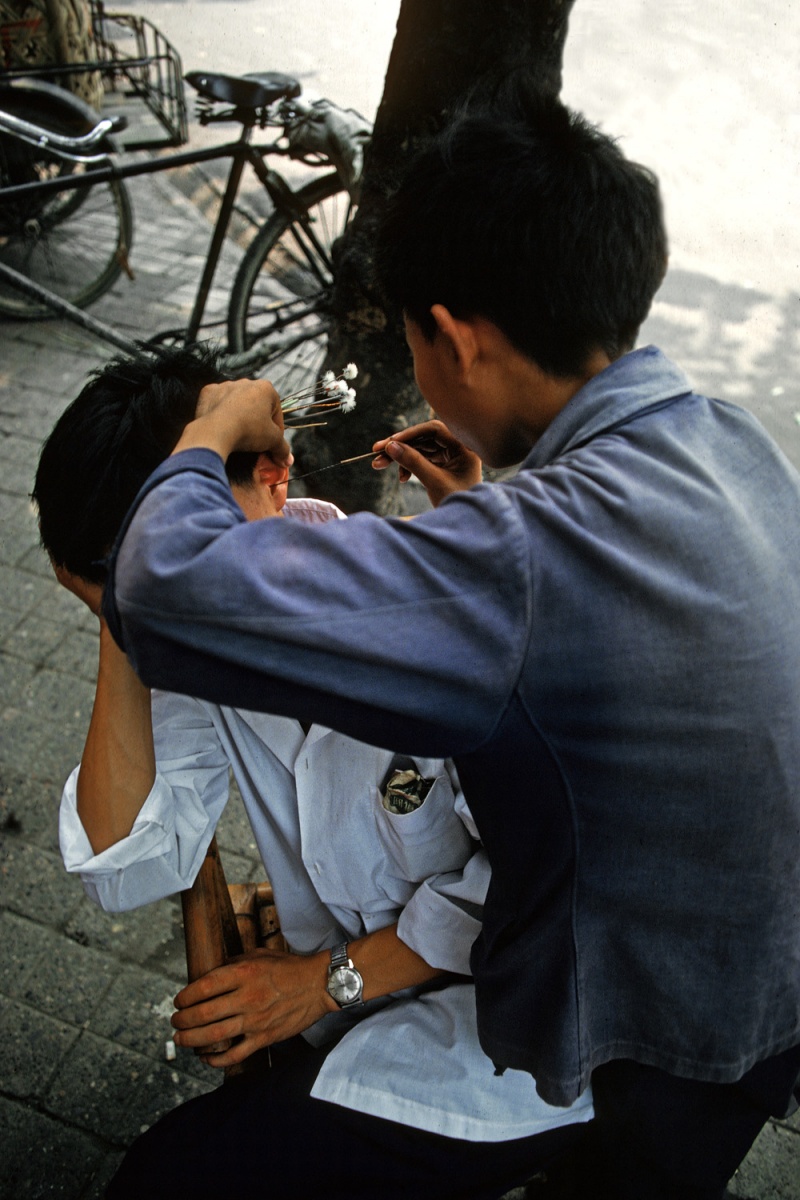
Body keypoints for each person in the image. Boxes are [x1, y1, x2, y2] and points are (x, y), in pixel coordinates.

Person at [95, 88, 800, 1199]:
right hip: (763, 990)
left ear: (457, 340)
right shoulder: (731, 439)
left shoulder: (520, 555)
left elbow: (161, 587)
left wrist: (211, 427)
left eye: (415, 346)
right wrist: (482, 515)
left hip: (646, 1029)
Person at [34, 347, 593, 1200]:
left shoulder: (432, 609)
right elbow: (127, 868)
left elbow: (540, 885)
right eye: (137, 573)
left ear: (273, 474)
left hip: (507, 1025)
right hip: (352, 1012)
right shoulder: (191, 629)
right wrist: (123, 626)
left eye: (178, 539)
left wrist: (322, 984)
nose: (164, 584)